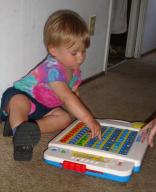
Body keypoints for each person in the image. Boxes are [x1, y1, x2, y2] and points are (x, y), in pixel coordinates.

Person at [0, 10, 101, 161]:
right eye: (74, 53)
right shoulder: (52, 69)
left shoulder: (75, 71)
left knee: (65, 118)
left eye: (83, 51)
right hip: (21, 97)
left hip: (44, 109)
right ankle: (20, 139)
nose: (80, 58)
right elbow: (66, 97)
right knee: (19, 102)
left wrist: (76, 104)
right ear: (53, 50)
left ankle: (26, 128)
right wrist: (88, 119)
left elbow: (72, 96)